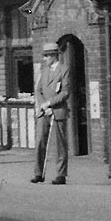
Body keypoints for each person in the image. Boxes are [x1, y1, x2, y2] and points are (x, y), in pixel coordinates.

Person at [31, 42, 70, 185]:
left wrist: (50, 104)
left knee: (60, 144)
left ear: (54, 55)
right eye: (44, 56)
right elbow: (38, 90)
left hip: (58, 111)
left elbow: (65, 92)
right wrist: (43, 105)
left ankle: (61, 174)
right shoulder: (44, 70)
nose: (45, 58)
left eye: (47, 56)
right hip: (44, 111)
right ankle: (38, 172)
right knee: (40, 141)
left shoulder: (64, 69)